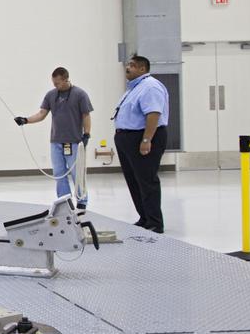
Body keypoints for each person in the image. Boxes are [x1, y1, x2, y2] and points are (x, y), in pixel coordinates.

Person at [14, 67, 93, 210]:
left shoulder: (80, 94)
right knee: (59, 173)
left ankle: (82, 200)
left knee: (77, 172)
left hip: (74, 141)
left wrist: (87, 134)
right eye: (54, 82)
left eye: (58, 83)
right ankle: (65, 201)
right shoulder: (51, 95)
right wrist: (25, 120)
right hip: (56, 141)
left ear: (66, 79)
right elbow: (42, 114)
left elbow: (86, 115)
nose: (55, 85)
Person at [112, 54, 170, 233]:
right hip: (127, 138)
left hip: (141, 137)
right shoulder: (134, 88)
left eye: (132, 65)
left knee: (146, 180)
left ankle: (154, 222)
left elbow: (153, 114)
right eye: (128, 64)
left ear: (142, 69)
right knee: (134, 180)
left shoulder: (150, 87)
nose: (127, 68)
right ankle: (144, 218)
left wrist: (146, 140)